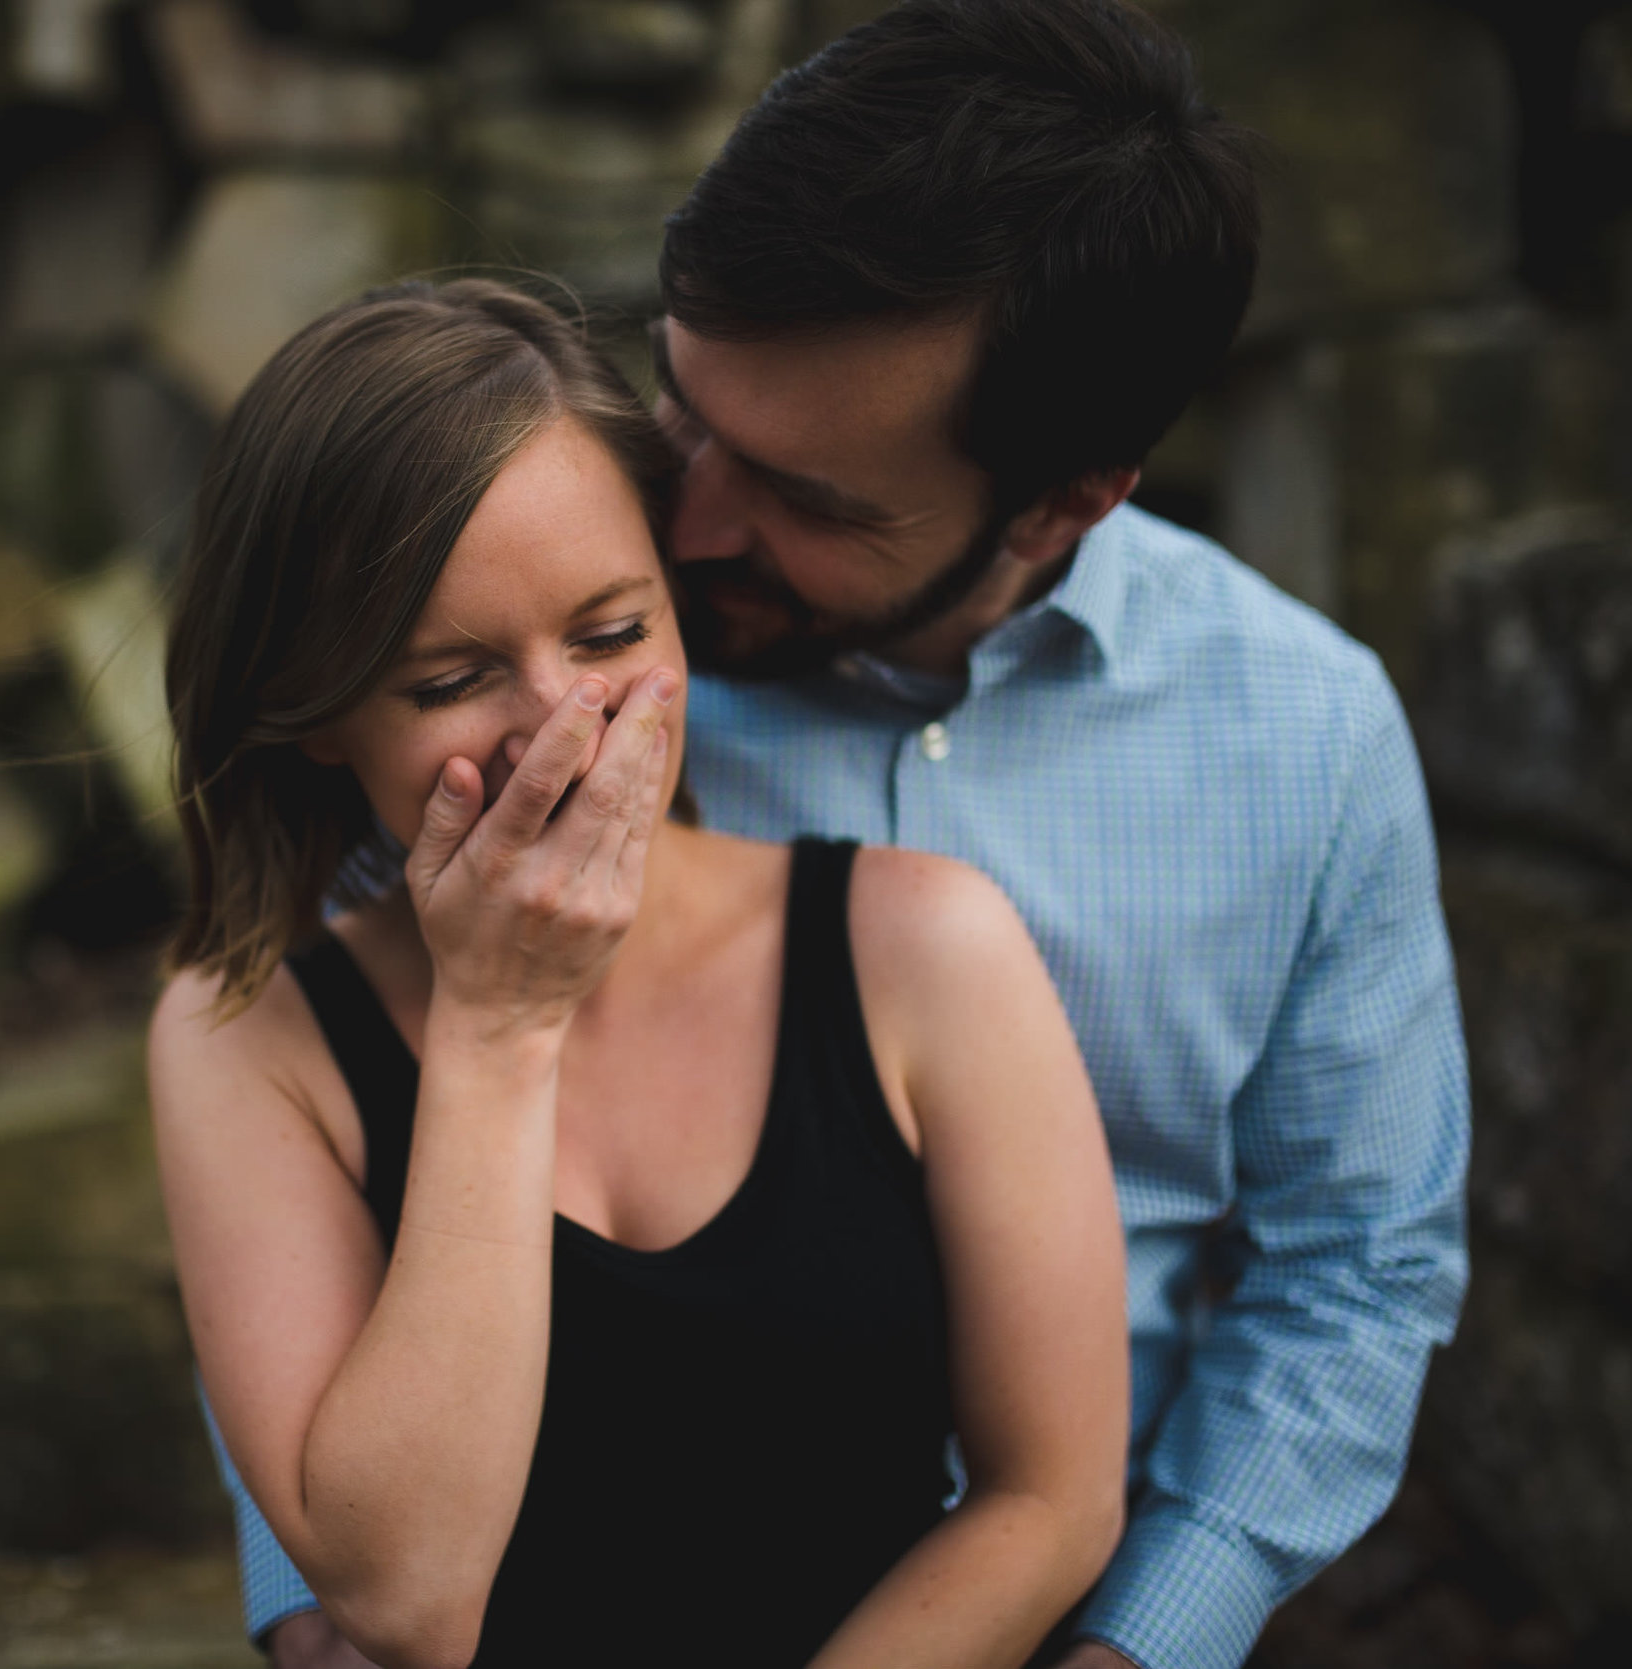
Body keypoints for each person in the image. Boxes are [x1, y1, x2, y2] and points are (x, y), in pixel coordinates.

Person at [221, 2, 1471, 1668]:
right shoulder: (575, 666)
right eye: (688, 411)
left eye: (811, 498)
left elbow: (1358, 1270)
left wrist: (1143, 1641)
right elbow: (336, 1122)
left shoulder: (1308, 742)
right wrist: (307, 1585)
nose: (693, 520)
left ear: (1064, 500)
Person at [150, 278, 1130, 1669]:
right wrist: (498, 1025)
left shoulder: (927, 946)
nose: (572, 719)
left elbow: (1053, 1498)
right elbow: (406, 1599)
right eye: (448, 681)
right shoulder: (245, 1038)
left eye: (613, 633)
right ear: (319, 718)